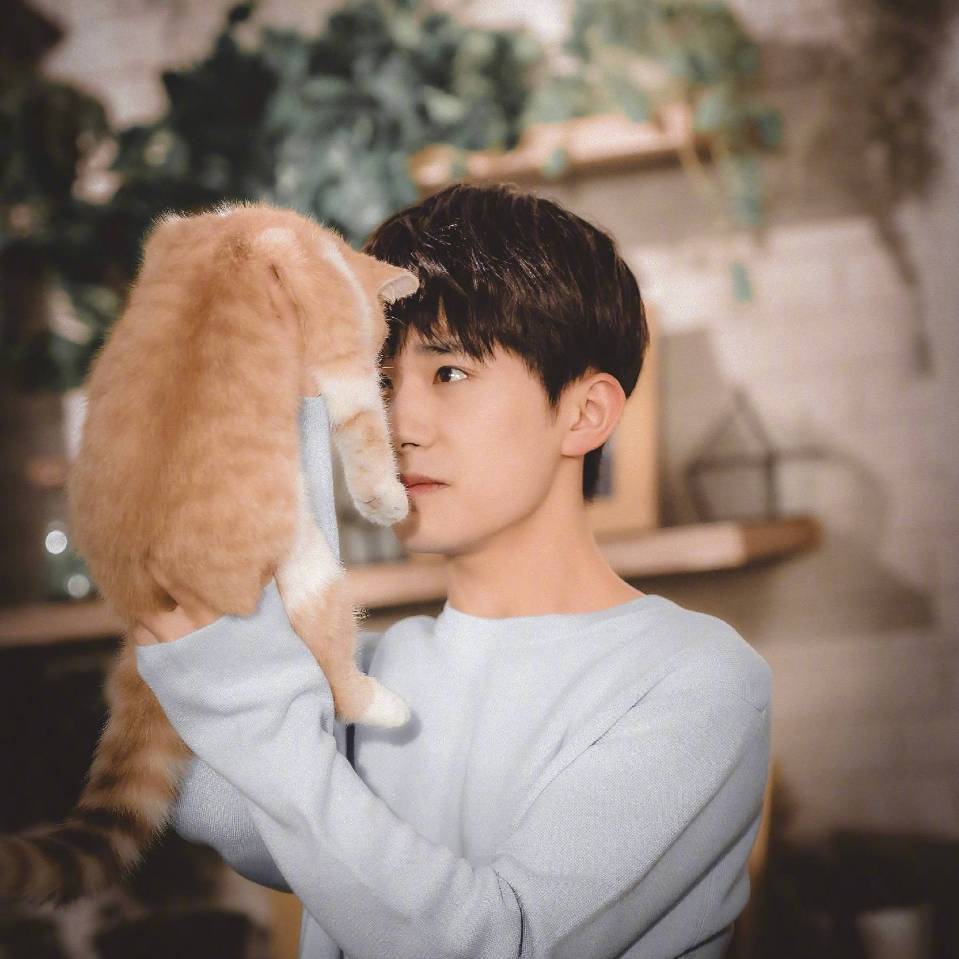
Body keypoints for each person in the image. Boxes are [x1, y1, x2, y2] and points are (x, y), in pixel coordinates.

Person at [134, 183, 772, 959]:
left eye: (449, 374)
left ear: (584, 413)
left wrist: (244, 701)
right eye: (380, 381)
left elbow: (501, 943)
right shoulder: (375, 673)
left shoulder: (694, 678)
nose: (396, 427)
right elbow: (233, 815)